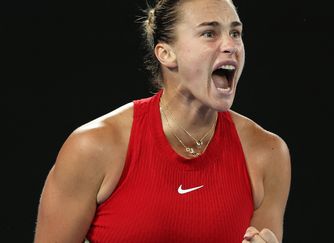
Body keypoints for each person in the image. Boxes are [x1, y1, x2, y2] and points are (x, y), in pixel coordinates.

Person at [34, 0, 291, 242]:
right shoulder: (93, 147)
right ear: (166, 53)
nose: (231, 46)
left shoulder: (266, 154)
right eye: (209, 33)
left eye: (235, 33)